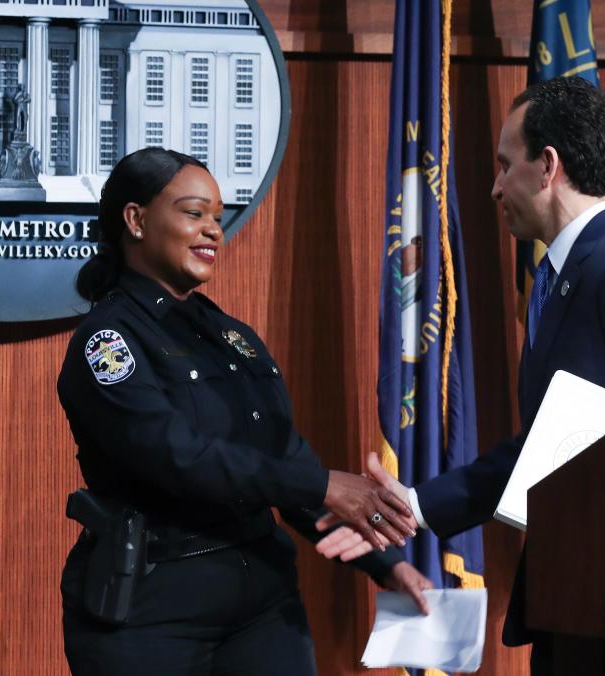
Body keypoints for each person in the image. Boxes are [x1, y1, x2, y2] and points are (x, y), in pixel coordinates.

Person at [316, 77, 605, 673]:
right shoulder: (564, 275)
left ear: (548, 166)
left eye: (504, 165)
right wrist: (413, 504)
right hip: (581, 603)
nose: (493, 187)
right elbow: (550, 446)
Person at [57, 147, 431, 676]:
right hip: (152, 611)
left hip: (263, 601)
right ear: (137, 220)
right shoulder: (109, 341)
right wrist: (325, 485)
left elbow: (284, 460)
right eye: (193, 213)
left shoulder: (232, 336)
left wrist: (385, 565)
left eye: (217, 216)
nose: (213, 230)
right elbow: (177, 457)